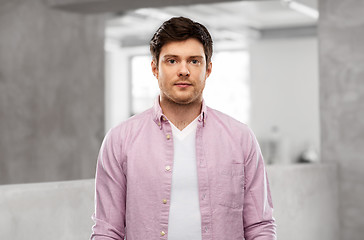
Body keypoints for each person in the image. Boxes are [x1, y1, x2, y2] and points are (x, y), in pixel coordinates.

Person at [90, 16, 276, 240]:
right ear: (154, 68)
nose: (183, 70)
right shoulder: (120, 140)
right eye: (172, 61)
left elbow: (260, 227)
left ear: (207, 69)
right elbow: (107, 231)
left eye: (194, 61)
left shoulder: (240, 138)